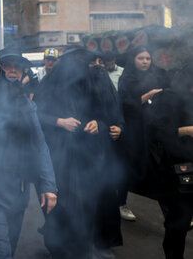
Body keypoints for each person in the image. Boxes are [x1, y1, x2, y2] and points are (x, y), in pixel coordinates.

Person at [0, 49, 57, 259]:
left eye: (18, 66)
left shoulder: (26, 104)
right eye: (7, 65)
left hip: (18, 191)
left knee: (10, 248)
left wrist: (48, 185)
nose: (13, 70)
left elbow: (40, 144)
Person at [34, 48, 106, 259]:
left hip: (85, 159)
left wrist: (97, 124)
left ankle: (82, 248)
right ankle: (59, 248)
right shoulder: (48, 86)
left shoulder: (88, 86)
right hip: (57, 159)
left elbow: (102, 114)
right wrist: (59, 122)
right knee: (60, 207)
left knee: (86, 207)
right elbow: (35, 116)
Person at [147, 63, 193, 259]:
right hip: (178, 170)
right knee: (178, 224)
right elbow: (154, 132)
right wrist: (185, 131)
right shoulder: (168, 98)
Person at [118, 46, 167, 221]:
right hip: (132, 132)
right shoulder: (126, 79)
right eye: (141, 58)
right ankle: (121, 203)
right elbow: (126, 105)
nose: (145, 61)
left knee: (158, 170)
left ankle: (170, 211)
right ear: (133, 60)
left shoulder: (155, 75)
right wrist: (149, 95)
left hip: (152, 131)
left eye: (147, 58)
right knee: (126, 168)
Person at [87, 52, 125, 258]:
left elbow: (117, 114)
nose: (97, 66)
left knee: (106, 198)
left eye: (101, 62)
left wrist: (119, 127)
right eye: (93, 62)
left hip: (107, 154)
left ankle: (104, 242)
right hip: (84, 155)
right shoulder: (79, 88)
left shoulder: (108, 86)